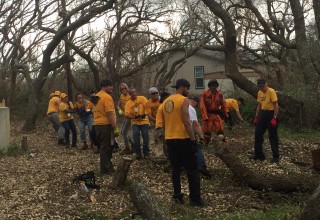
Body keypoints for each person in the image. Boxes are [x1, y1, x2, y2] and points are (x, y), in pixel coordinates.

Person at [162, 78, 204, 207]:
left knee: (175, 169)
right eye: (187, 88)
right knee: (192, 169)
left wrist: (166, 136)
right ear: (183, 87)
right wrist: (193, 140)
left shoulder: (166, 101)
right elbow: (187, 122)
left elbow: (164, 123)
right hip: (183, 139)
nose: (187, 91)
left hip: (170, 138)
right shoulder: (183, 100)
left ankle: (177, 196)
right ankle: (195, 199)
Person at [92, 80, 119, 174]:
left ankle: (107, 166)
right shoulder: (107, 97)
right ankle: (106, 169)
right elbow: (110, 113)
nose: (112, 88)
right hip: (105, 125)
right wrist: (115, 127)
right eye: (111, 86)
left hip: (97, 125)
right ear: (105, 86)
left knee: (103, 146)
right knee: (106, 147)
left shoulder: (95, 97)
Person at [252, 79, 279, 163]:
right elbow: (259, 105)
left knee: (273, 136)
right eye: (259, 87)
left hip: (271, 114)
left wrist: (274, 117)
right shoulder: (259, 92)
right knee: (258, 134)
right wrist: (256, 117)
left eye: (262, 86)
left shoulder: (271, 91)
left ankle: (276, 156)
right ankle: (259, 155)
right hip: (263, 114)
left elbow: (276, 105)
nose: (261, 88)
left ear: (266, 84)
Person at [188, 95, 212, 178]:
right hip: (187, 133)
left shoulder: (179, 106)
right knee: (197, 148)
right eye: (196, 104)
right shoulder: (190, 108)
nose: (196, 106)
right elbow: (196, 124)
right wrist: (202, 138)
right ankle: (202, 166)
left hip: (174, 133)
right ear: (194, 101)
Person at [124, 87, 150, 160]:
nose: (133, 94)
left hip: (144, 121)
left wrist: (145, 114)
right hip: (135, 122)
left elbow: (148, 107)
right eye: (131, 93)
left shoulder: (142, 98)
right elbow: (126, 114)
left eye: (134, 92)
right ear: (129, 94)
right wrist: (134, 117)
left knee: (146, 136)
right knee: (136, 136)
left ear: (136, 92)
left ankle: (146, 153)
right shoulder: (128, 103)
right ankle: (138, 153)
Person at [200, 79, 228, 144]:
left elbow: (223, 104)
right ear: (209, 86)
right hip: (208, 115)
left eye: (215, 86)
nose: (214, 87)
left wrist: (226, 112)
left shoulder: (220, 94)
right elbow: (202, 106)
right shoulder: (204, 94)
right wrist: (205, 116)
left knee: (220, 129)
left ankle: (224, 143)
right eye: (212, 86)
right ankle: (206, 143)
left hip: (216, 114)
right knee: (207, 131)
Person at [117, 83, 134, 155]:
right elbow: (118, 105)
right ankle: (133, 144)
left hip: (129, 116)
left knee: (124, 132)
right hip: (125, 116)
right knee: (123, 132)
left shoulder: (130, 96)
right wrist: (119, 110)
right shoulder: (121, 96)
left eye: (125, 88)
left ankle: (128, 148)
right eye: (121, 89)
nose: (123, 90)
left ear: (127, 88)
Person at [154, 92, 170, 161]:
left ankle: (162, 157)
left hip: (159, 126)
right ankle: (163, 157)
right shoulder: (166, 105)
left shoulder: (162, 105)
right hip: (162, 126)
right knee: (163, 142)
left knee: (160, 142)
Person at [145, 87, 161, 154]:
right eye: (153, 93)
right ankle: (159, 154)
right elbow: (149, 115)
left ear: (158, 93)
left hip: (165, 122)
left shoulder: (162, 101)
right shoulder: (148, 103)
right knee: (157, 138)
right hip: (155, 123)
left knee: (166, 139)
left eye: (156, 93)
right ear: (150, 95)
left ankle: (167, 153)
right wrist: (156, 121)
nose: (155, 95)